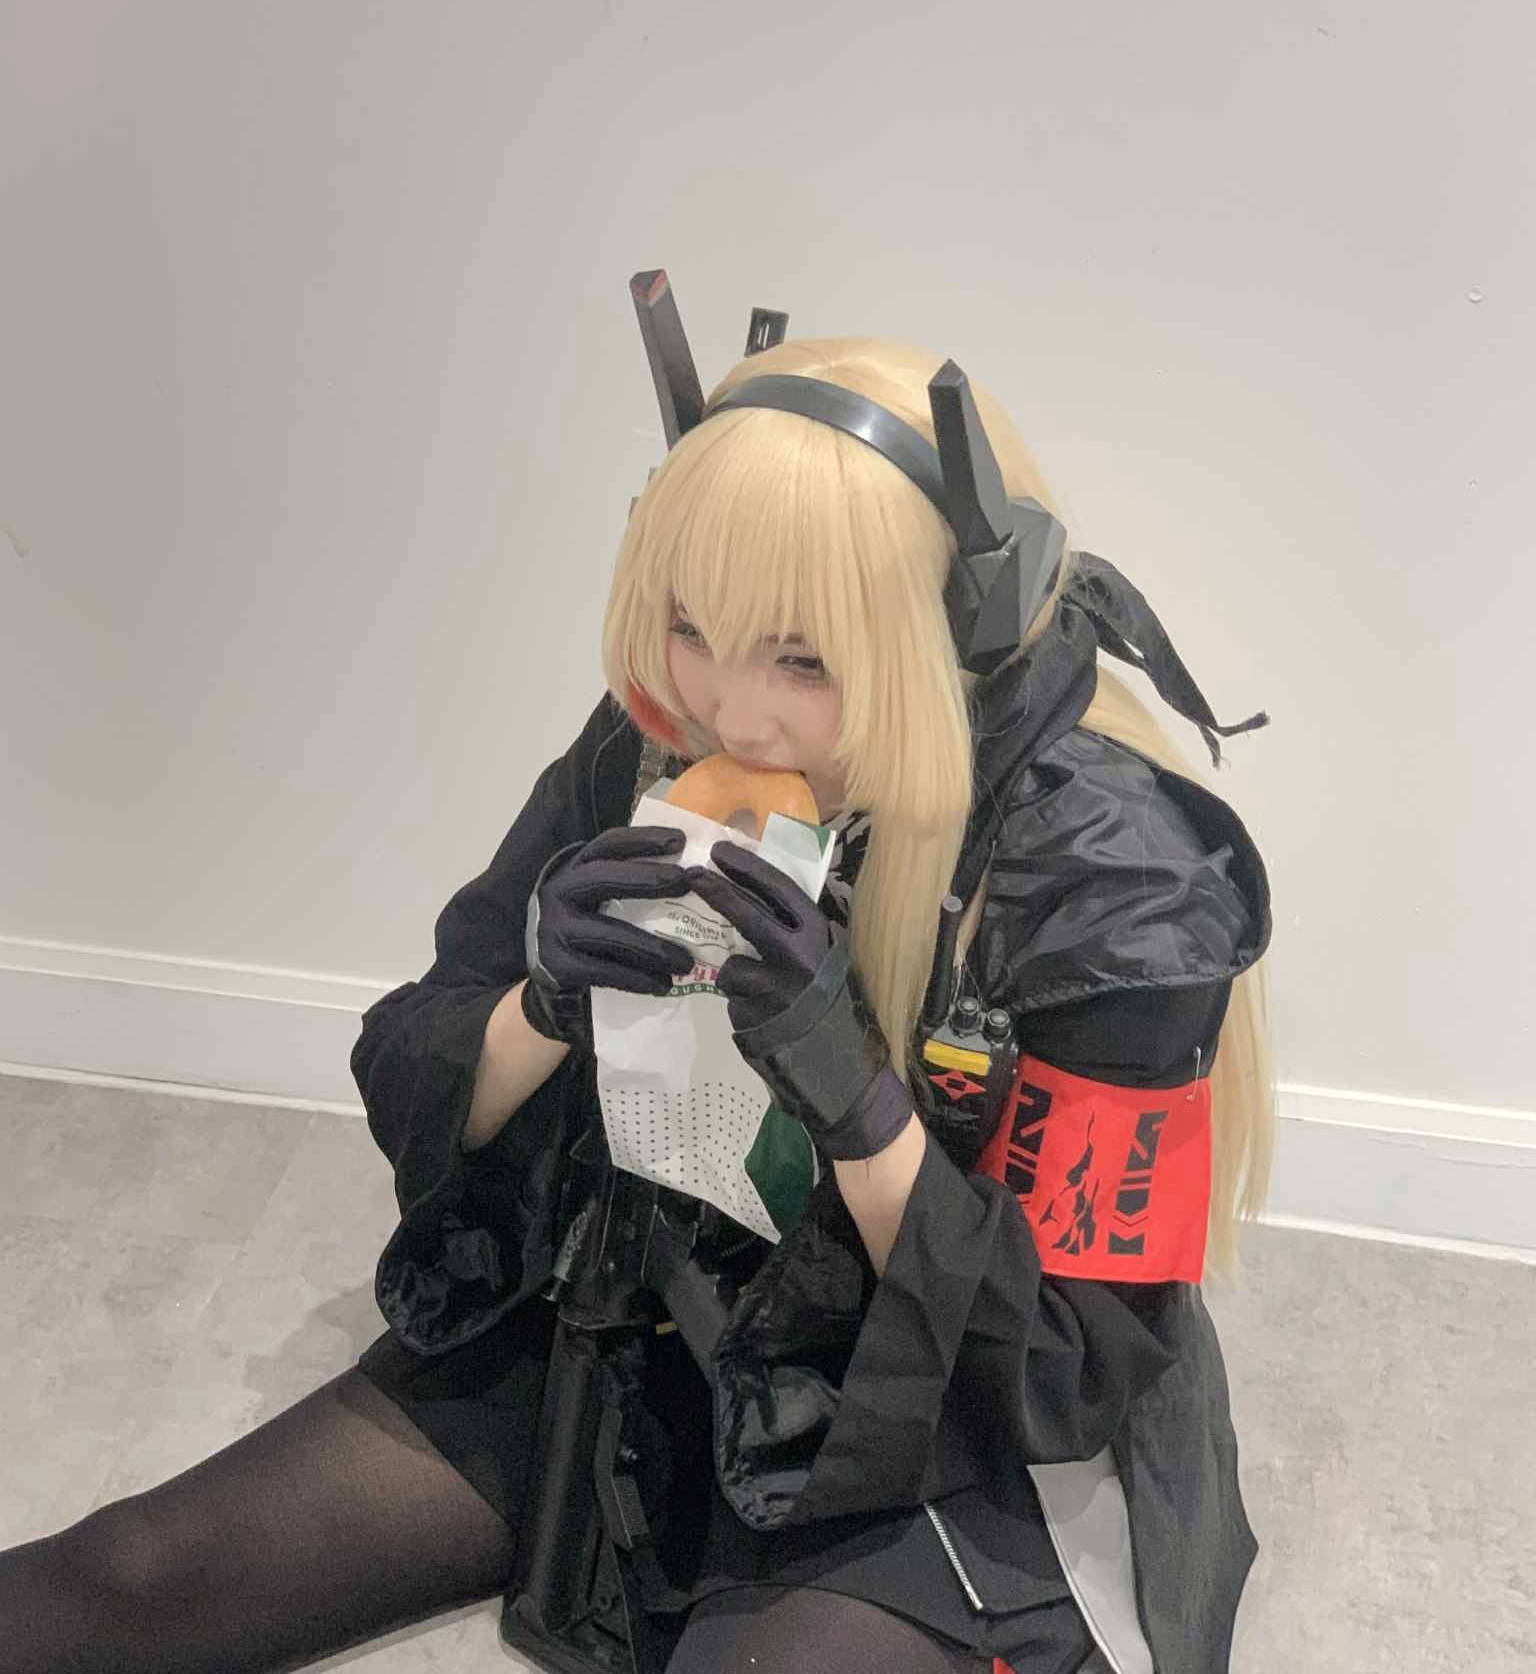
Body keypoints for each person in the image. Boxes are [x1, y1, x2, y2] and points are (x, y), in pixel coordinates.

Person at [0, 308, 1274, 1674]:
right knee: (133, 1579)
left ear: (946, 633)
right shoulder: (652, 741)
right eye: (693, 628)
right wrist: (542, 1006)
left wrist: (851, 1093)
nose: (735, 711)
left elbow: (1067, 1364)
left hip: (939, 1414)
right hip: (663, 1308)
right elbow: (414, 1052)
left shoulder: (1115, 884)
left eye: (804, 657)